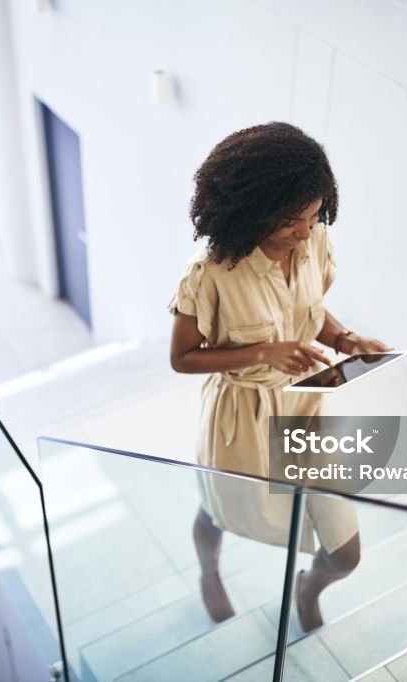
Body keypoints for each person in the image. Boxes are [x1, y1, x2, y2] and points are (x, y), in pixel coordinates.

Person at [168, 122, 392, 631]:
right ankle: (209, 572)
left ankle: (309, 587)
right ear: (253, 212)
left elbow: (311, 309)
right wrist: (263, 351)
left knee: (346, 553)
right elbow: (182, 358)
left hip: (308, 407)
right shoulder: (210, 273)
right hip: (241, 414)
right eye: (293, 222)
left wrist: (347, 340)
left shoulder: (311, 243)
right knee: (219, 509)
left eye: (314, 217)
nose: (305, 232)